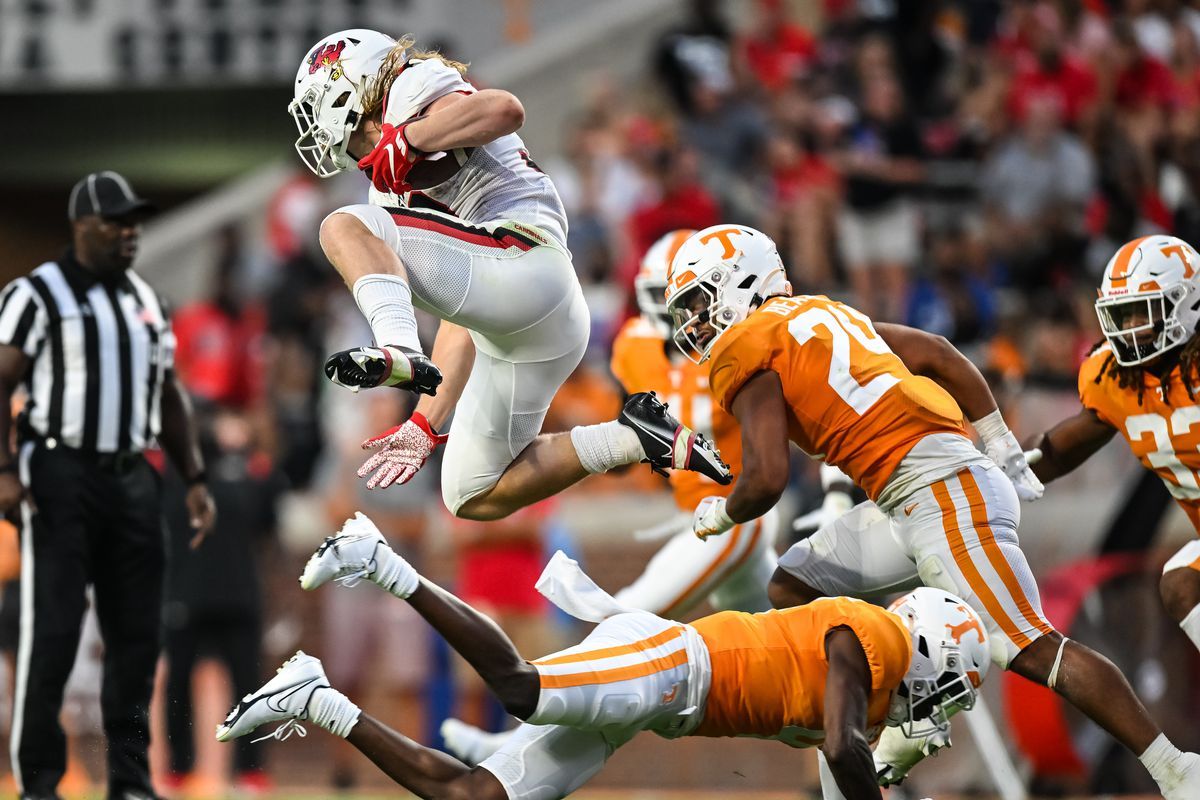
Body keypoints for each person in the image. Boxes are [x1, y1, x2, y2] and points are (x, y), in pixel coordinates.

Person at [663, 224, 1200, 797]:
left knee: (1027, 647)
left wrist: (720, 514)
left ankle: (1176, 770)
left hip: (939, 488)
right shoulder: (822, 313)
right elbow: (940, 355)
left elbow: (766, 479)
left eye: (701, 300)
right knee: (794, 584)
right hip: (911, 494)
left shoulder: (745, 346)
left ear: (743, 283)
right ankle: (913, 703)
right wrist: (1000, 444)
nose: (694, 320)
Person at [217, 512, 991, 800]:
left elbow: (855, 755)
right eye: (949, 686)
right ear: (924, 643)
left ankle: (316, 697)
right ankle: (377, 554)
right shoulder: (872, 638)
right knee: (521, 689)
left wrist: (897, 760)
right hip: (664, 667)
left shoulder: (877, 687)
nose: (942, 701)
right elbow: (844, 747)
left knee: (473, 799)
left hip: (659, 700)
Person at [288, 29, 728, 520]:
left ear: (349, 86)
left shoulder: (411, 88)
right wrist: (425, 423)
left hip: (527, 258)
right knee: (470, 493)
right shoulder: (386, 200)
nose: (320, 131)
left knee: (342, 226)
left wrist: (408, 139)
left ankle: (399, 347)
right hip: (535, 317)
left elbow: (504, 110)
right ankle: (634, 437)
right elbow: (463, 308)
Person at [0, 171, 216, 800]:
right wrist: (5, 469)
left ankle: (130, 780)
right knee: (56, 630)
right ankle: (40, 782)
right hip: (61, 474)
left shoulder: (146, 298)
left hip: (133, 476)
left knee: (137, 638)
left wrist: (195, 476)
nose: (130, 232)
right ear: (82, 226)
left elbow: (168, 392)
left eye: (134, 221)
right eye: (116, 221)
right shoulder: (37, 293)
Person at [1025, 235, 1200, 656]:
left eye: (1142, 312)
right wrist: (998, 471)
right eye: (1122, 315)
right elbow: (1063, 447)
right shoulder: (1115, 380)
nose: (1129, 328)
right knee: (1182, 581)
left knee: (1180, 576)